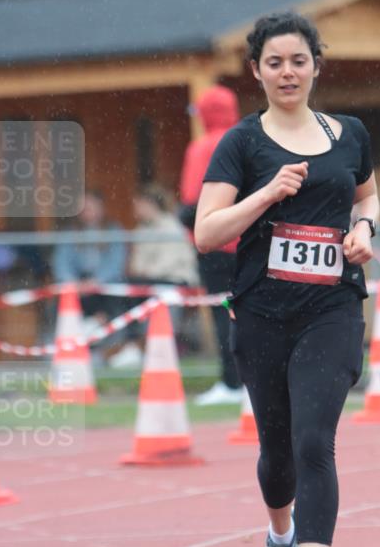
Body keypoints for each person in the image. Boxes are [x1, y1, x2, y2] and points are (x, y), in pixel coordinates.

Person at [195, 12, 380, 547]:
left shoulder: (349, 133)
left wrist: (364, 232)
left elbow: (367, 197)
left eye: (298, 60)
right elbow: (207, 232)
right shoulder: (242, 145)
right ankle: (280, 537)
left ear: (316, 66)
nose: (287, 72)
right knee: (277, 453)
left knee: (313, 442)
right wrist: (267, 194)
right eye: (273, 62)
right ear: (256, 72)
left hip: (331, 310)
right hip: (263, 314)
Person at [180, 85, 243, 406]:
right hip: (249, 240)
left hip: (215, 245)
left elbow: (192, 205)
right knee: (252, 311)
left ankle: (231, 383)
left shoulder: (202, 148)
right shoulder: (249, 140)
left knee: (223, 314)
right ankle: (251, 379)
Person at [108, 184, 200, 368]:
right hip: (149, 280)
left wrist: (145, 273)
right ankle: (132, 345)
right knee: (124, 288)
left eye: (139, 204)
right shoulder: (141, 229)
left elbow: (169, 263)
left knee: (135, 288)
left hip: (174, 280)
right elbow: (136, 264)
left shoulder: (172, 226)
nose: (136, 209)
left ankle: (138, 345)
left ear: (150, 204)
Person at [51, 190, 126, 338]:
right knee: (59, 304)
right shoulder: (70, 232)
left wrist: (96, 281)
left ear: (101, 208)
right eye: (83, 208)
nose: (87, 211)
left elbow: (116, 263)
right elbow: (61, 262)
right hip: (78, 283)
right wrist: (72, 282)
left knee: (115, 300)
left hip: (105, 283)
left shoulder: (113, 230)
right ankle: (75, 336)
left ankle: (103, 335)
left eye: (90, 206)